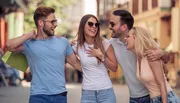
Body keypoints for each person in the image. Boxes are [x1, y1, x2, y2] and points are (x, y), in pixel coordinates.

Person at [6, 6, 81, 103]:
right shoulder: (29, 43)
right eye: (52, 22)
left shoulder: (62, 42)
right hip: (38, 96)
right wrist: (29, 35)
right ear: (40, 23)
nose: (55, 25)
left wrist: (101, 64)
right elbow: (8, 46)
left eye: (55, 21)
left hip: (59, 96)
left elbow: (77, 64)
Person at [108, 9, 170, 103]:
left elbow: (166, 58)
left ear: (124, 27)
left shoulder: (141, 40)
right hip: (133, 97)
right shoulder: (111, 44)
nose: (109, 27)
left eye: (112, 24)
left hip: (151, 95)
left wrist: (161, 53)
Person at [125, 26, 180, 103]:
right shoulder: (139, 57)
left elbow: (162, 84)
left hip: (166, 98)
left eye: (128, 36)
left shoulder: (151, 55)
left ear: (137, 38)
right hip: (154, 100)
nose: (125, 39)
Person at [72, 14, 117, 103]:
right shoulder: (77, 45)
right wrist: (60, 40)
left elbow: (114, 68)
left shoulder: (105, 43)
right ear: (82, 25)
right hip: (87, 93)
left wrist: (101, 56)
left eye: (96, 25)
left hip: (106, 92)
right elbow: (66, 59)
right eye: (90, 24)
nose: (94, 27)